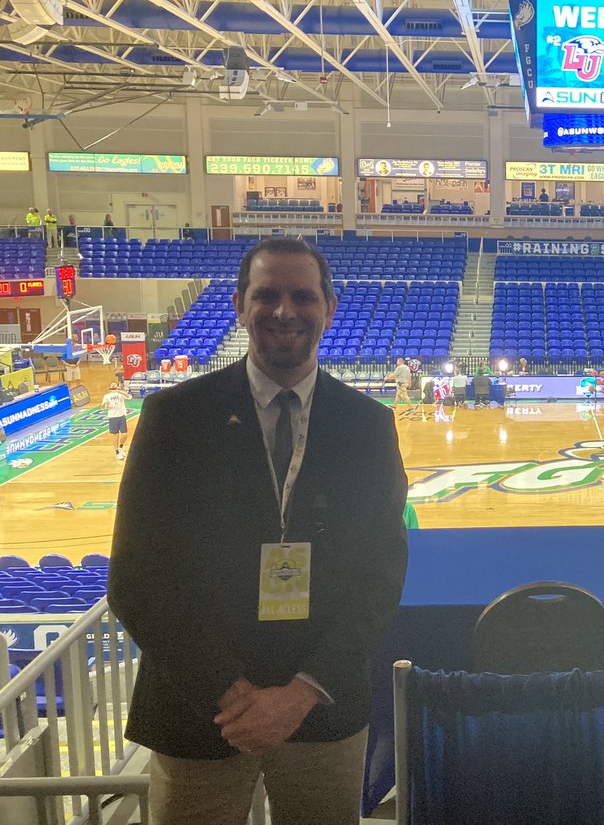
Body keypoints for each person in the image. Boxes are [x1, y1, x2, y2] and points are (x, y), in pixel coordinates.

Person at [108, 238, 408, 825]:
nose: (285, 311)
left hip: (320, 709)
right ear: (240, 306)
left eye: (303, 296)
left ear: (330, 306)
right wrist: (231, 695)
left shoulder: (368, 426)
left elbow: (381, 573)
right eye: (266, 295)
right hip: (198, 709)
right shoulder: (173, 418)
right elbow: (137, 578)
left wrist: (298, 694)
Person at [100, 381, 132, 459]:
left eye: (115, 385)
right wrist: (104, 404)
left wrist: (120, 391)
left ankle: (121, 447)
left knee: (124, 434)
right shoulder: (107, 396)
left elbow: (129, 397)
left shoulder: (120, 394)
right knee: (115, 435)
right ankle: (117, 451)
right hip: (112, 417)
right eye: (113, 385)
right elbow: (103, 407)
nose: (114, 386)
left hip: (121, 415)